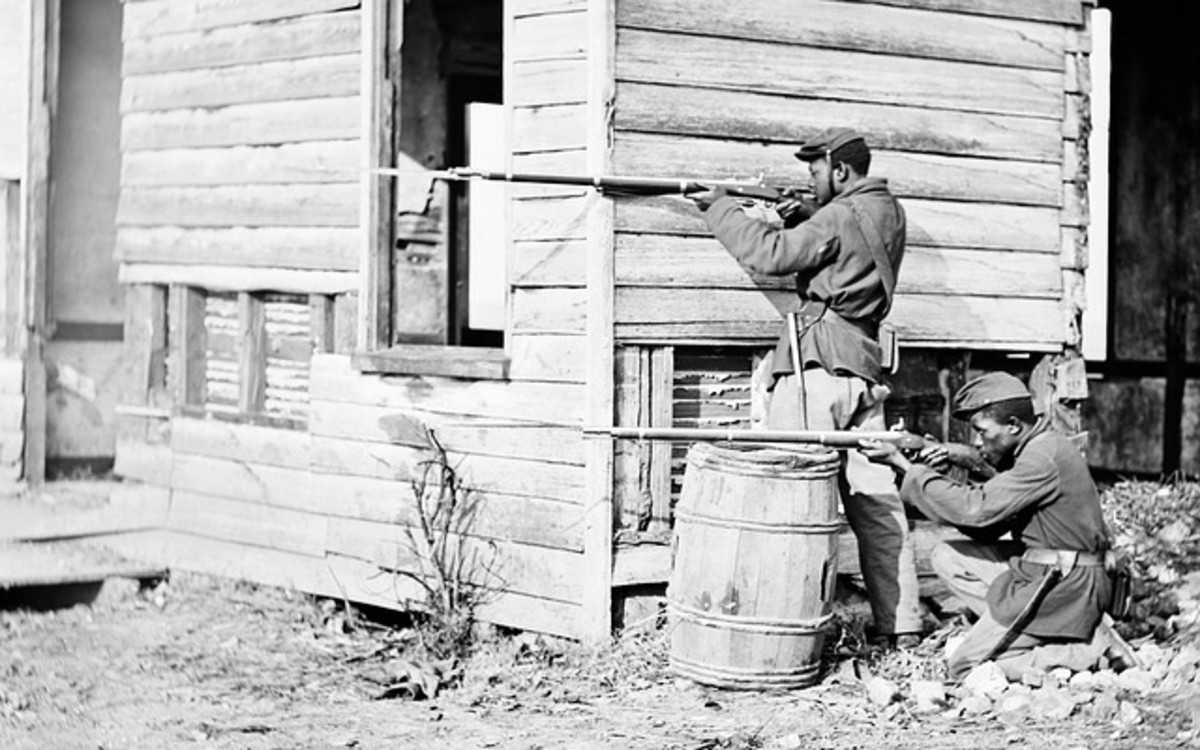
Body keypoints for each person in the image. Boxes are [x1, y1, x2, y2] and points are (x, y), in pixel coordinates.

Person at [690, 127, 922, 648]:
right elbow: (846, 252)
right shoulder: (887, 210)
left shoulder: (838, 215)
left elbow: (769, 255)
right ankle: (902, 625)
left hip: (816, 370)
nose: (811, 181)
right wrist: (808, 217)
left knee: (791, 500)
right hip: (864, 372)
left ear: (840, 171)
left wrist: (721, 208)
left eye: (816, 172)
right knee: (877, 503)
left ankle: (784, 633)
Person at [858, 372, 1116, 680]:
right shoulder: (1041, 446)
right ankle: (1039, 630)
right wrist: (944, 460)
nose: (978, 441)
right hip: (1047, 571)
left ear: (1013, 426)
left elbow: (975, 510)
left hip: (1064, 585)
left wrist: (904, 466)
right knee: (948, 556)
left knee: (961, 665)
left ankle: (1085, 651)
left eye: (982, 431)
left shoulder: (1041, 459)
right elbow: (988, 525)